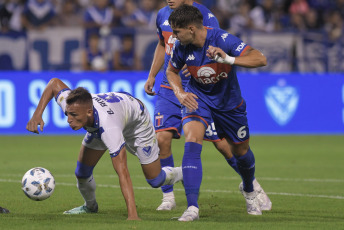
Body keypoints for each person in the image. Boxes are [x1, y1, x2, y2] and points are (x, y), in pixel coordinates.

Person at [166, 5, 272, 221]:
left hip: (229, 104)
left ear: (191, 28)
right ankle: (192, 207)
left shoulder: (223, 39)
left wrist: (230, 60)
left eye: (177, 32)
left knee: (240, 151)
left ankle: (250, 189)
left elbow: (260, 58)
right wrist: (179, 92)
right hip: (198, 99)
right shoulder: (181, 46)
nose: (174, 37)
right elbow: (171, 71)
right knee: (192, 139)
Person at [26, 78, 183, 220]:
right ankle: (90, 206)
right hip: (108, 117)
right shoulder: (72, 102)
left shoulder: (109, 128)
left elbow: (123, 172)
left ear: (88, 112)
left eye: (73, 115)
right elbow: (54, 83)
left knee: (155, 180)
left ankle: (182, 172)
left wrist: (132, 216)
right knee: (82, 172)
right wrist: (37, 114)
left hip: (137, 123)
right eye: (67, 114)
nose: (69, 120)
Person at [144, 0, 244, 212]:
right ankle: (168, 196)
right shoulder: (162, 15)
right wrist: (152, 74)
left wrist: (199, 70)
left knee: (222, 144)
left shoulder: (204, 16)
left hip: (197, 87)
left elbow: (212, 49)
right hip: (169, 86)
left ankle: (250, 183)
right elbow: (163, 45)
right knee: (162, 139)